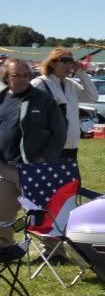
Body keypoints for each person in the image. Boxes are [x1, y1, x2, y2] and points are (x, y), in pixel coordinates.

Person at [0, 59, 67, 245]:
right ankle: (4, 247)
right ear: (7, 76)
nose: (22, 79)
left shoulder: (43, 99)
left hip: (32, 168)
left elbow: (60, 133)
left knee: (42, 213)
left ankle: (55, 251)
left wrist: (44, 158)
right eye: (16, 75)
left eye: (26, 75)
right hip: (4, 168)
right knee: (2, 213)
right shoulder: (2, 97)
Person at [31, 48, 98, 160]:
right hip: (48, 147)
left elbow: (93, 97)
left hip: (71, 146)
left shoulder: (71, 85)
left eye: (71, 61)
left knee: (72, 178)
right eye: (64, 61)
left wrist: (81, 72)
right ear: (52, 63)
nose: (68, 65)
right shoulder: (39, 83)